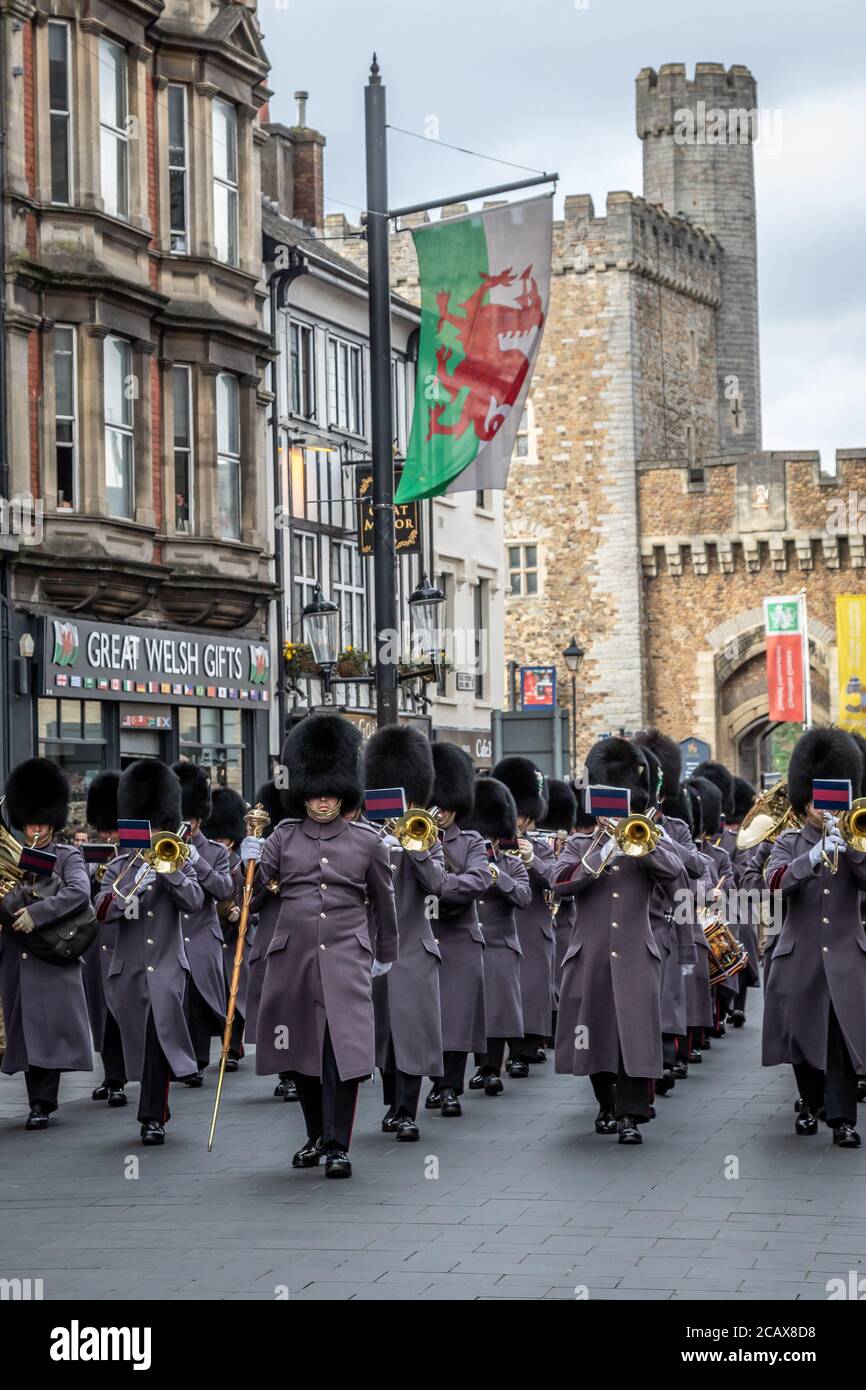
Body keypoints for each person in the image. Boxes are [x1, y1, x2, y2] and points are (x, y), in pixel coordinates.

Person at [242, 715, 398, 1179]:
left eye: (330, 793)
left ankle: (338, 1144)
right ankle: (315, 1135)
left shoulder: (368, 843)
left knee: (344, 1053)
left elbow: (384, 903)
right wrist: (246, 865)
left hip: (347, 957)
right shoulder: (282, 838)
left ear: (343, 792)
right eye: (315, 792)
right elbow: (247, 901)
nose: (323, 800)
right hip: (293, 959)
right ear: (304, 793)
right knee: (303, 1054)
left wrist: (385, 953)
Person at [553, 738, 685, 1144]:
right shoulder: (579, 844)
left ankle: (629, 1115)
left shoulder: (646, 838)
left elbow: (677, 872)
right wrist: (601, 848)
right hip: (589, 954)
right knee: (592, 1034)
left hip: (635, 954)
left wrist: (640, 845)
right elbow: (561, 884)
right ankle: (606, 1103)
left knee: (635, 1034)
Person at [763, 728, 866, 1147]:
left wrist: (853, 849)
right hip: (800, 955)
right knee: (803, 1039)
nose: (825, 810)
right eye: (818, 803)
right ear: (806, 803)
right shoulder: (789, 841)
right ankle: (808, 1103)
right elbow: (772, 883)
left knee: (841, 1039)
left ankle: (842, 1120)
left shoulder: (858, 840)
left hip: (845, 956)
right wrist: (811, 856)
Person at [96, 760, 204, 1145]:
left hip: (167, 967)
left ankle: (150, 1118)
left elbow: (194, 901)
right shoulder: (119, 866)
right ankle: (157, 1105)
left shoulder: (176, 859)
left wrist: (169, 871)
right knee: (140, 1044)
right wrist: (128, 890)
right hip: (129, 970)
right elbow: (101, 912)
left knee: (160, 1040)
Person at [362, 726, 445, 1141]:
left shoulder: (427, 836)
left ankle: (408, 1111)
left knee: (412, 1030)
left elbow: (439, 885)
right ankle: (393, 1105)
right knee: (384, 1033)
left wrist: (417, 848)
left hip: (414, 946)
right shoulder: (368, 836)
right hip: (376, 947)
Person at [0, 758, 92, 1130]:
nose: (35, 830)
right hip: (15, 958)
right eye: (30, 824)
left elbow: (79, 891)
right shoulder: (14, 856)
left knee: (47, 1031)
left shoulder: (67, 855)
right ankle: (37, 1100)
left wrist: (37, 913)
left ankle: (42, 1103)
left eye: (41, 824)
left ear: (52, 823)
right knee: (23, 1033)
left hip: (51, 956)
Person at [425, 744, 491, 1117]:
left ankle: (449, 1086)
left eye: (447, 805)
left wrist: (438, 882)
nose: (441, 810)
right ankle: (432, 1082)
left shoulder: (471, 841)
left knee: (456, 1016)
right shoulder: (409, 838)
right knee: (426, 1015)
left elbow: (478, 880)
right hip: (423, 934)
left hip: (460, 937)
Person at [464, 778, 530, 1095]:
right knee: (471, 1008)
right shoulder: (461, 859)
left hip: (501, 943)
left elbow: (523, 897)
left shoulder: (512, 863)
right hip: (468, 941)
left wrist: (497, 875)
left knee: (499, 1010)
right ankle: (476, 1067)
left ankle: (491, 1068)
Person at [491, 757, 555, 1075]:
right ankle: (492, 1058)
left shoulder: (541, 846)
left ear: (529, 818)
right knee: (501, 993)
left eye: (520, 816)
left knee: (530, 989)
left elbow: (557, 881)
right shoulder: (488, 846)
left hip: (532, 926)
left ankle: (525, 1050)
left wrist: (533, 860)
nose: (515, 821)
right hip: (503, 927)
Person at [171, 763, 230, 1085]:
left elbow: (223, 890)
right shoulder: (162, 844)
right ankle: (180, 1060)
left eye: (190, 820)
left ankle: (197, 1061)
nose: (187, 826)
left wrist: (198, 861)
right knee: (174, 1002)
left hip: (201, 934)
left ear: (199, 819)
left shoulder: (216, 851)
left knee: (198, 1001)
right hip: (171, 935)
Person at [244, 779, 297, 1103]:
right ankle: (286, 1071)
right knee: (277, 1010)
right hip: (271, 937)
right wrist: (251, 865)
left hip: (301, 935)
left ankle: (300, 1068)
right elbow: (247, 903)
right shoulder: (262, 846)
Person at [81, 770, 127, 1107]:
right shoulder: (82, 855)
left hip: (127, 944)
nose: (108, 834)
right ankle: (112, 1077)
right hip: (98, 945)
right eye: (104, 828)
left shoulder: (135, 855)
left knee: (122, 1014)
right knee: (104, 1016)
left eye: (112, 827)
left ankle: (123, 1077)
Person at [201, 787, 250, 1071]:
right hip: (213, 933)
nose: (219, 842)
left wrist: (242, 914)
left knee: (236, 995)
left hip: (236, 937)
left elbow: (254, 897)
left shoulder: (242, 862)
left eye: (223, 838)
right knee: (216, 995)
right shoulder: (210, 859)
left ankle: (232, 1048)